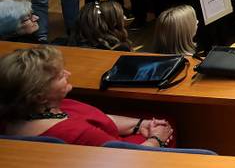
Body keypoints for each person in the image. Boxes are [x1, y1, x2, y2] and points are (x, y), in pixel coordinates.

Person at [0, 45, 173, 147]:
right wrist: (156, 138)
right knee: (168, 123)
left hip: (118, 144)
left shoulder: (43, 108)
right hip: (126, 164)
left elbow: (98, 118)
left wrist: (141, 124)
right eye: (60, 76)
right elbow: (132, 159)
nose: (68, 73)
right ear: (39, 96)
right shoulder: (74, 134)